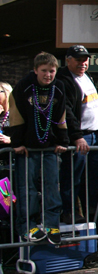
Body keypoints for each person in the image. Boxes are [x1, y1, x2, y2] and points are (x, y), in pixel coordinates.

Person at [7, 52, 69, 244]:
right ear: (35, 70)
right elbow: (15, 115)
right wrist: (17, 143)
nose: (48, 75)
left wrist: (63, 141)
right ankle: (27, 226)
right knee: (28, 188)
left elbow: (61, 115)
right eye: (44, 71)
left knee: (52, 186)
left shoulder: (59, 87)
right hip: (27, 147)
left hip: (49, 146)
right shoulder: (23, 86)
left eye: (51, 71)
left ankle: (52, 225)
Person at [57, 45, 98, 225]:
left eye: (85, 60)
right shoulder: (63, 80)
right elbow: (66, 111)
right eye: (78, 60)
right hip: (79, 137)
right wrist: (76, 136)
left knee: (93, 180)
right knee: (73, 178)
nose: (83, 63)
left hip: (94, 135)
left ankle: (93, 216)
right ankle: (69, 212)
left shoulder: (86, 77)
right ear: (68, 60)